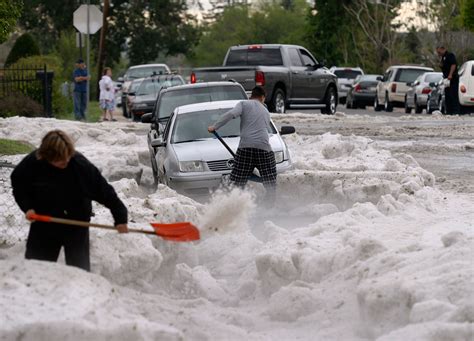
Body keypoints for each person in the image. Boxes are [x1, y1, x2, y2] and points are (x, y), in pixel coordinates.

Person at [11, 130, 129, 271]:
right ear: (46, 157)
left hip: (76, 221)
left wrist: (120, 218)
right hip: (44, 221)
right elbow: (19, 185)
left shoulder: (80, 166)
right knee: (36, 268)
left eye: (68, 156)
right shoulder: (33, 164)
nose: (66, 161)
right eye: (61, 159)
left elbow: (105, 192)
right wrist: (27, 207)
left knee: (79, 269)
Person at [208, 86, 277, 205]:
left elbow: (230, 114)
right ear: (262, 97)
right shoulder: (265, 111)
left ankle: (234, 207)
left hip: (246, 148)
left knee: (236, 183)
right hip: (264, 149)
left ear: (251, 96)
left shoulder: (243, 104)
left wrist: (215, 127)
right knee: (271, 183)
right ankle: (270, 207)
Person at [436, 46, 460, 115]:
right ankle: (449, 111)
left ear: (443, 49)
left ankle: (456, 111)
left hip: (452, 78)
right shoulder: (443, 58)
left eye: (439, 52)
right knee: (447, 95)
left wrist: (450, 74)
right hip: (446, 79)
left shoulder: (450, 55)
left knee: (453, 94)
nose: (438, 53)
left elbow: (453, 65)